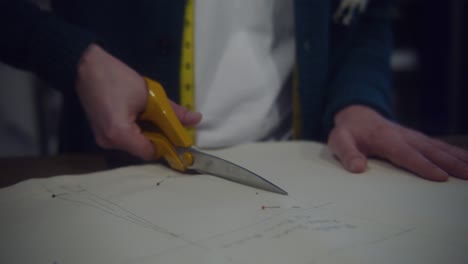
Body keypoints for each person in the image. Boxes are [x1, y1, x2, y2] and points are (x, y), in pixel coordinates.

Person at [1, 0, 467, 182]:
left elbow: (366, 15)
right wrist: (78, 59)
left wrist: (358, 100)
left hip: (306, 167)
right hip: (115, 169)